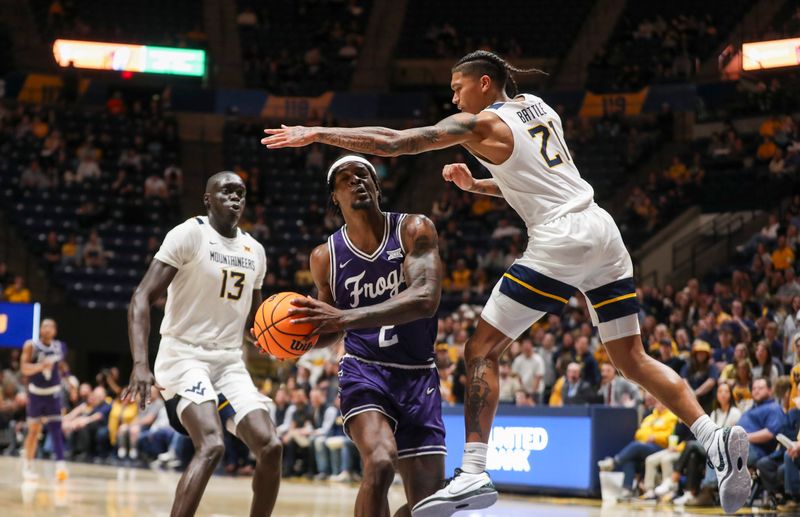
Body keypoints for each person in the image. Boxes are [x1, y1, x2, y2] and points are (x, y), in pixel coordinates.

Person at [262, 49, 751, 514]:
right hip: (602, 230)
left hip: (560, 237)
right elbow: (539, 179)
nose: (454, 100)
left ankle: (474, 469)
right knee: (632, 359)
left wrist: (318, 133)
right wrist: (477, 186)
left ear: (483, 84)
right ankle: (713, 438)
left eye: (458, 89)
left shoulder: (480, 122)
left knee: (480, 350)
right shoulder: (538, 107)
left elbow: (396, 142)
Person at [287, 156, 445, 517]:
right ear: (334, 197)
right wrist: (299, 340)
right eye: (345, 179)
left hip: (419, 375)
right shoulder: (325, 257)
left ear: (377, 186)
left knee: (429, 508)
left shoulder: (413, 229)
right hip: (364, 370)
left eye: (364, 176)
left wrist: (343, 316)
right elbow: (331, 327)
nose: (357, 182)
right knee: (381, 460)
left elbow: (425, 299)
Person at [122, 171, 281, 517]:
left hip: (227, 361)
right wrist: (140, 365)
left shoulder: (255, 250)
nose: (236, 198)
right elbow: (141, 297)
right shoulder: (189, 234)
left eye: (240, 192)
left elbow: (256, 323)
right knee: (211, 445)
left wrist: (285, 336)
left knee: (271, 446)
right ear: (207, 199)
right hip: (182, 355)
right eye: (226, 192)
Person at [20, 319, 69, 481]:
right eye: (44, 326)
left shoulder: (60, 347)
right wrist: (40, 366)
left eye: (50, 327)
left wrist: (70, 380)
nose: (47, 329)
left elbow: (62, 366)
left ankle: (60, 466)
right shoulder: (31, 346)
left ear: (55, 331)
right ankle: (28, 465)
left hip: (53, 393)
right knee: (33, 431)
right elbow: (24, 369)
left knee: (56, 429)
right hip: (36, 394)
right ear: (40, 329)